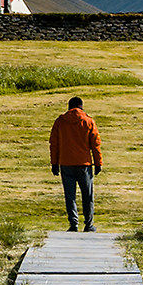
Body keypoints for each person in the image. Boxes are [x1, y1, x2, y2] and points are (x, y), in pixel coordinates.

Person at [49, 96, 102, 232]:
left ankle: (73, 224)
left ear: (69, 107)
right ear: (81, 107)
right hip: (84, 164)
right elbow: (95, 145)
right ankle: (89, 225)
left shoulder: (60, 121)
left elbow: (54, 144)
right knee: (87, 195)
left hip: (65, 163)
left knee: (70, 196)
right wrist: (98, 163)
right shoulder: (88, 121)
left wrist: (54, 163)